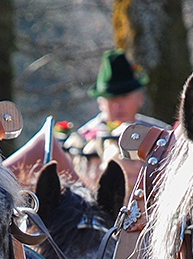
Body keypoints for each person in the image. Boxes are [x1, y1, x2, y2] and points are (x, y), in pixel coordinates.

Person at [64, 49, 170, 182]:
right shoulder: (82, 140)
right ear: (101, 102)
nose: (118, 106)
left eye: (124, 97)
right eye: (111, 99)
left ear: (140, 98)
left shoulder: (160, 133)